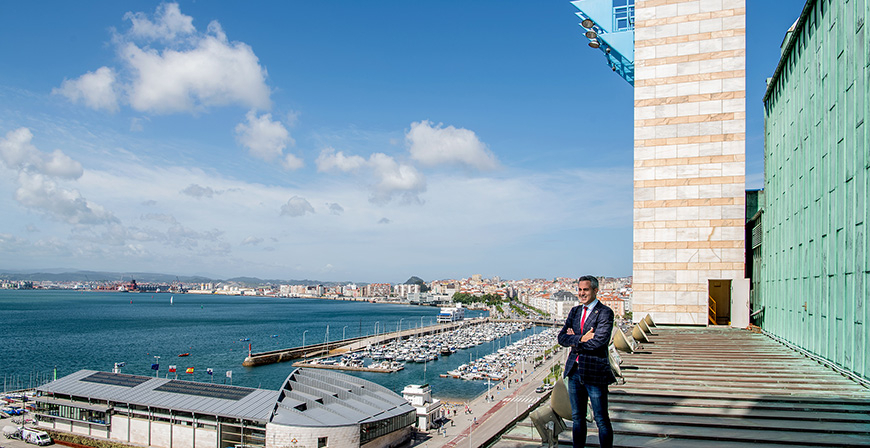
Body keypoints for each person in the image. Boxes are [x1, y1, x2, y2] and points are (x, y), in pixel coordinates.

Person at [557, 275, 615, 448]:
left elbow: (599, 342)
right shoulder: (575, 311)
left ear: (595, 291)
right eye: (580, 290)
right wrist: (582, 338)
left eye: (586, 290)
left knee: (601, 419)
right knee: (577, 418)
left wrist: (574, 339)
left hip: (594, 370)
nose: (582, 293)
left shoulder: (605, 312)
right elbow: (561, 338)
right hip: (574, 371)